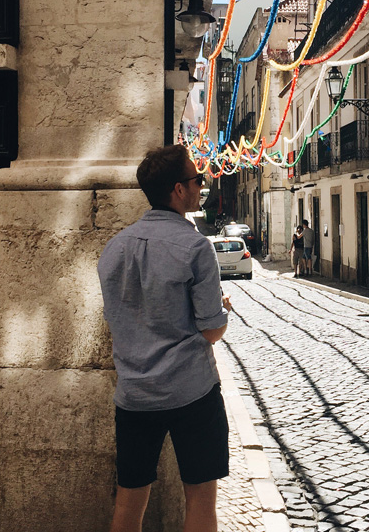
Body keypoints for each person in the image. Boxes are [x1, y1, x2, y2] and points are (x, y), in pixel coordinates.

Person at [97, 145, 231, 532]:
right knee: (201, 500)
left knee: (129, 500)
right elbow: (212, 330)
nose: (200, 184)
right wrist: (218, 311)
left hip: (135, 395)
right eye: (196, 179)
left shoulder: (113, 249)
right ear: (178, 189)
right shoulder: (195, 248)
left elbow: (126, 314)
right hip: (192, 392)